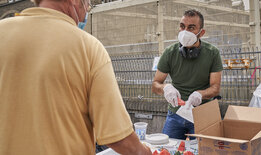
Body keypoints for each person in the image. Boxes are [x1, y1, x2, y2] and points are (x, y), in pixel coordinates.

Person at [0, 0, 151, 155]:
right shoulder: (88, 47)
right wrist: (145, 152)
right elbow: (119, 138)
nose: (86, 11)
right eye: (87, 4)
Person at [152, 9, 223, 140]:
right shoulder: (169, 52)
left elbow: (215, 88)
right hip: (175, 113)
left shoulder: (212, 53)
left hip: (202, 114)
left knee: (204, 151)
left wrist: (200, 94)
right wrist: (166, 88)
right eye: (182, 26)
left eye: (191, 28)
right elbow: (156, 84)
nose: (185, 31)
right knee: (167, 150)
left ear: (201, 33)